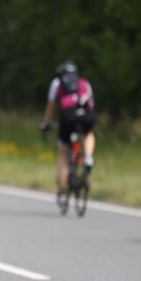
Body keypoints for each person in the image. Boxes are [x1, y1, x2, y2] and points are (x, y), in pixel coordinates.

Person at [40, 61, 96, 196]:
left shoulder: (57, 82)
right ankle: (88, 158)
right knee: (88, 133)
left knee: (63, 152)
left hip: (68, 115)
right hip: (86, 113)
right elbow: (91, 104)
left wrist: (47, 123)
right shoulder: (84, 82)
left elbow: (51, 106)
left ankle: (64, 188)